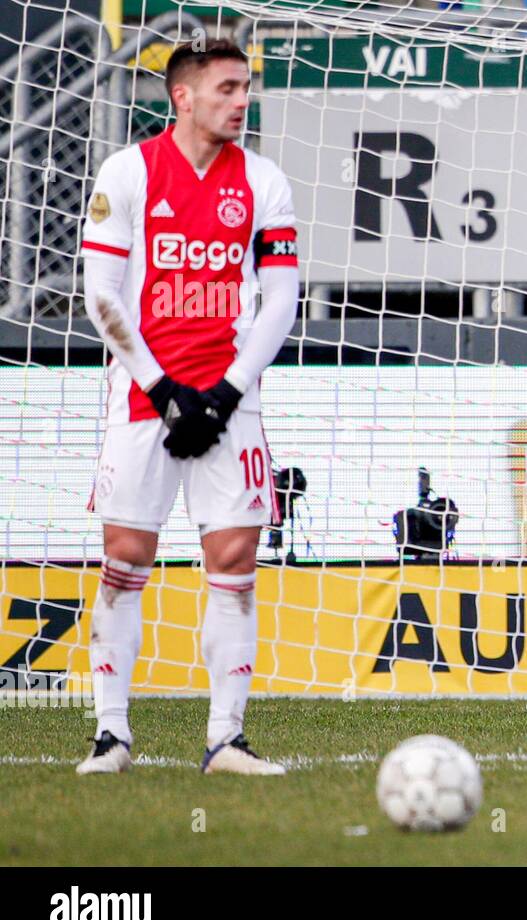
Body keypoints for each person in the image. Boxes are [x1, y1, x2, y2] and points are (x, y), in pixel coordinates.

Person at [77, 39, 300, 772]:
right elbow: (102, 294)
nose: (242, 100)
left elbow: (281, 299)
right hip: (145, 397)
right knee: (124, 558)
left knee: (235, 557)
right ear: (184, 95)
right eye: (229, 87)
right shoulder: (128, 171)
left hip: (230, 400)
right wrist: (164, 389)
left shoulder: (264, 181)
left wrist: (226, 391)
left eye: (246, 87)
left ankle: (225, 738)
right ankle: (112, 733)